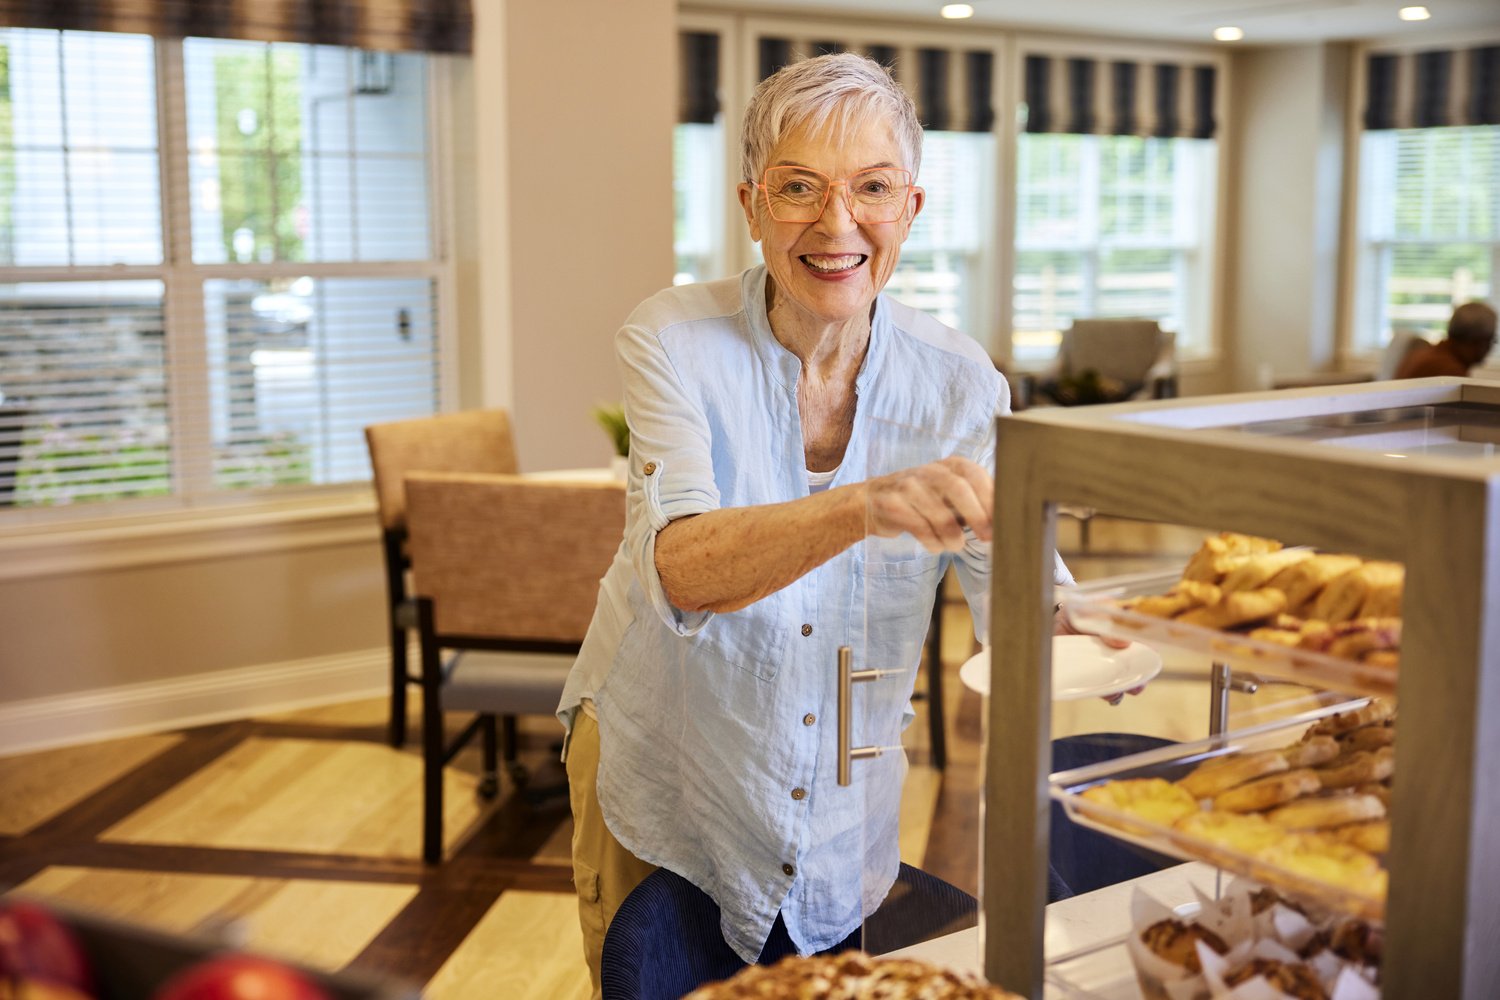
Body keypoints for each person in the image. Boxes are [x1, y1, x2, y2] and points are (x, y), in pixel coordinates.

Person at [556, 52, 1075, 995]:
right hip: (670, 763)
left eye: (872, 187)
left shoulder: (961, 382)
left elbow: (1027, 613)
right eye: (800, 188)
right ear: (752, 205)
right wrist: (864, 505)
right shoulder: (672, 340)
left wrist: (1101, 621)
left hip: (848, 783)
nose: (838, 225)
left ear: (910, 208)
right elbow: (680, 570)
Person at [1393, 300, 1498, 379]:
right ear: (1477, 341)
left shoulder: (1421, 353)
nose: (1489, 347)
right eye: (1490, 340)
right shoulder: (1451, 373)